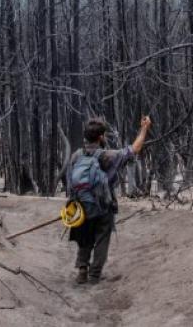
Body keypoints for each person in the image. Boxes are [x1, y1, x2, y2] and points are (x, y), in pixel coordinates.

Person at [63, 115, 152, 284]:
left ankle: (82, 270)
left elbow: (70, 182)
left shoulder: (76, 156)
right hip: (103, 207)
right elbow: (134, 149)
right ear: (101, 137)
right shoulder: (108, 156)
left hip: (80, 205)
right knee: (102, 238)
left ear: (86, 137)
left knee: (84, 236)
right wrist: (144, 128)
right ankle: (95, 275)